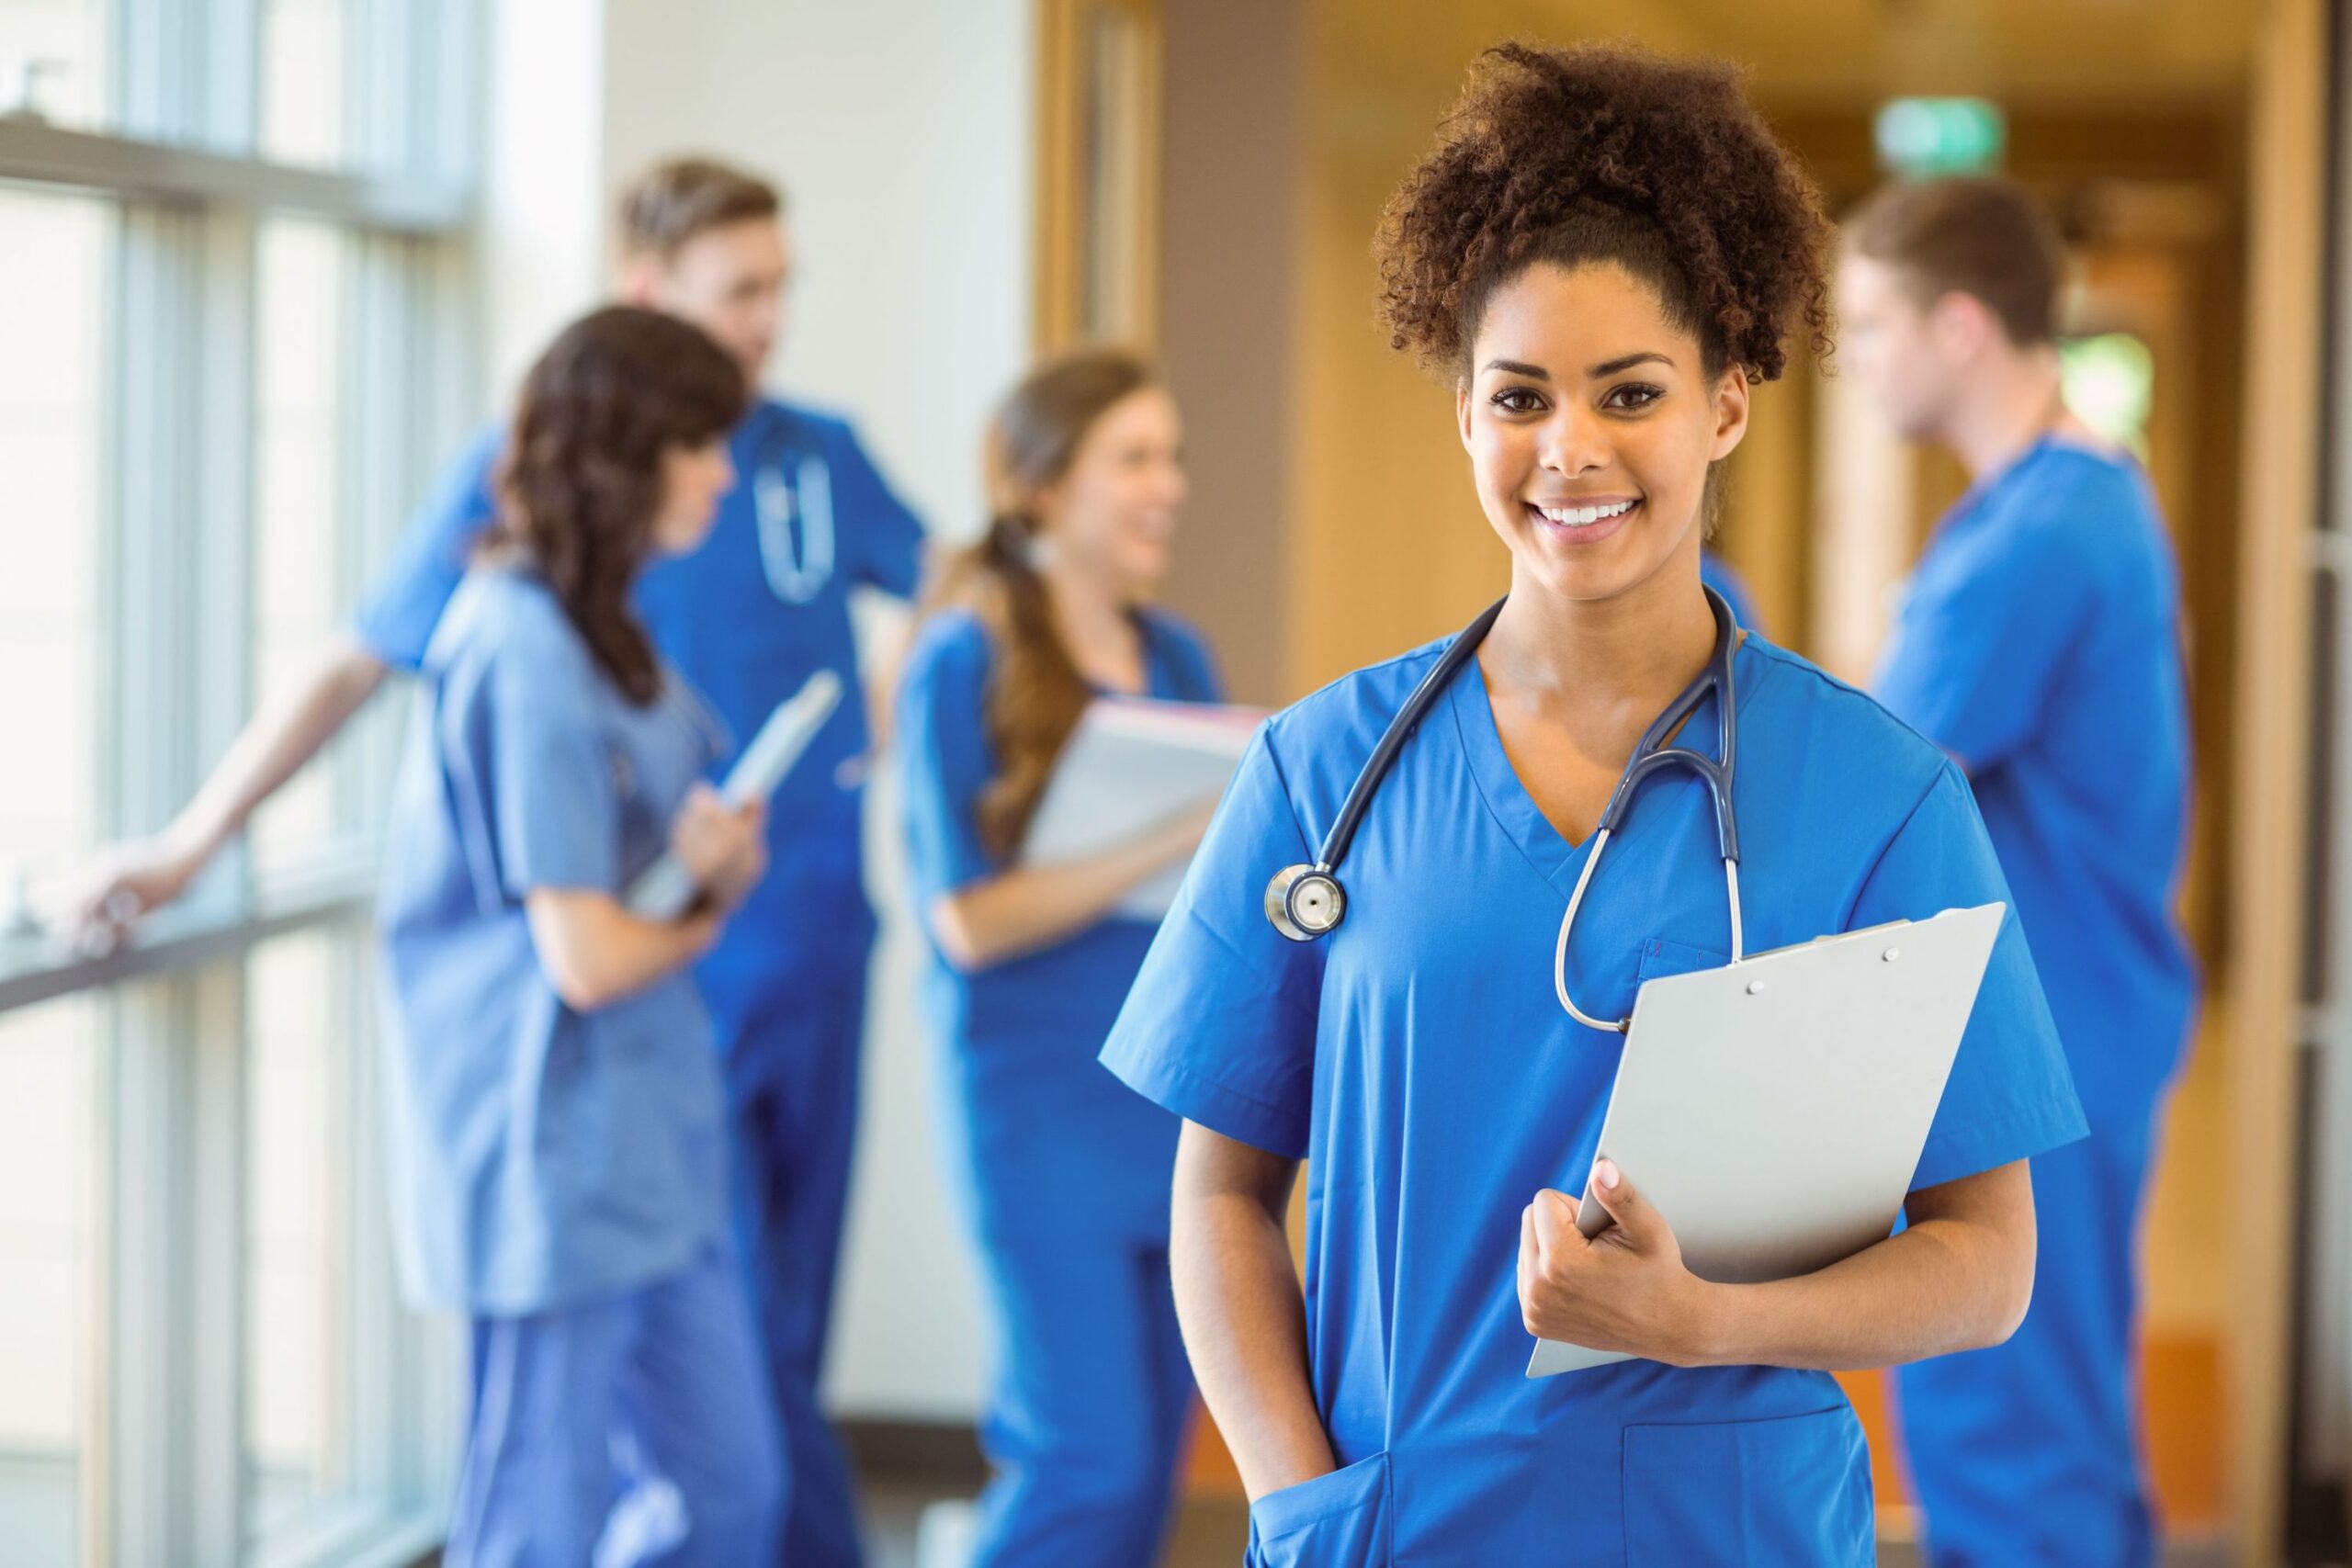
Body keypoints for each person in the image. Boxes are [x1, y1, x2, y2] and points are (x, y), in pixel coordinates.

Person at [1097, 43, 2088, 1563]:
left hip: (1724, 1528)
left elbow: (1986, 1262)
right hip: (1395, 1525)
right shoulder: (1323, 771)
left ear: (1728, 409)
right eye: (1519, 397)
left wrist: (1709, 1320)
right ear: (1467, 421)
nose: (1571, 449)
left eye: (1632, 391)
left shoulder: (1882, 802)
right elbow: (1221, 1195)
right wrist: (1299, 1496)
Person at [74, 157, 922, 1566]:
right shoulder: (519, 621)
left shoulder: (685, 556)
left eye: (783, 291)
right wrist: (190, 842)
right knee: (546, 1495)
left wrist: (788, 802)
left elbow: (936, 591)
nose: (768, 329)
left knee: (737, 1460)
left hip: (720, 1032)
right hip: (570, 1084)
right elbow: (371, 678)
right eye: (742, 293)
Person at [379, 306, 777, 1563]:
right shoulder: (520, 648)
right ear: (627, 453)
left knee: (728, 1493)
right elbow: (589, 957)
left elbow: (627, 878)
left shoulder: (613, 627)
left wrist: (702, 866)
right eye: (702, 445)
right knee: (533, 1522)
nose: (723, 473)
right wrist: (706, 910)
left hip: (648, 1143)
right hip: (545, 1145)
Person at [1842, 175, 2197, 1568]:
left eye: (1872, 323)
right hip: (2085, 1022)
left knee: (2007, 1437)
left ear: (1965, 329)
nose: (1855, 357)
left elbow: (1875, 780)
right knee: (2066, 1427)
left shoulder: (2040, 534)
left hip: (2038, 1044)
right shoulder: (2073, 500)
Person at [894, 350, 1224, 1566]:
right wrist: (1172, 836)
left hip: (1170, 1100)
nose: (1169, 486)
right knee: (1084, 1451)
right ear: (1042, 489)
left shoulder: (1178, 658)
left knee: (1154, 1456)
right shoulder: (961, 663)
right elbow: (966, 922)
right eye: (1135, 459)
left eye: (1172, 458)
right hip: (1037, 1114)